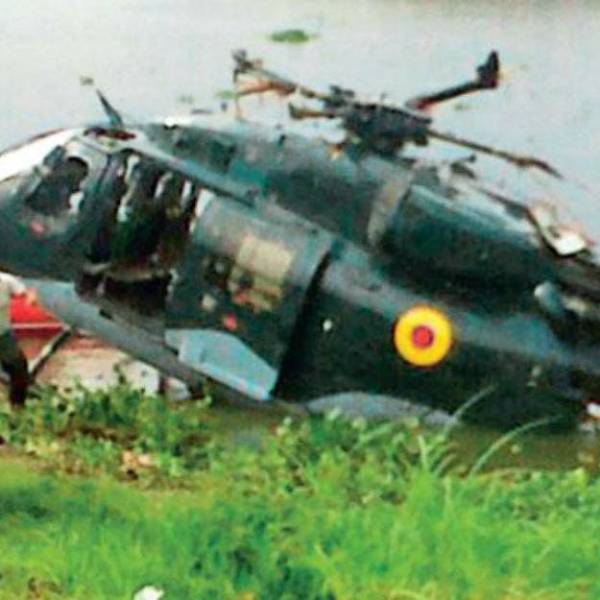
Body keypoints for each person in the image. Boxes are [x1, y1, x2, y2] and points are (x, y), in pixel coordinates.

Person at [0, 273, 30, 407]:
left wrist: (31, 297)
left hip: (4, 334)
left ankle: (17, 407)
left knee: (19, 368)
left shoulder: (6, 280)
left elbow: (26, 292)